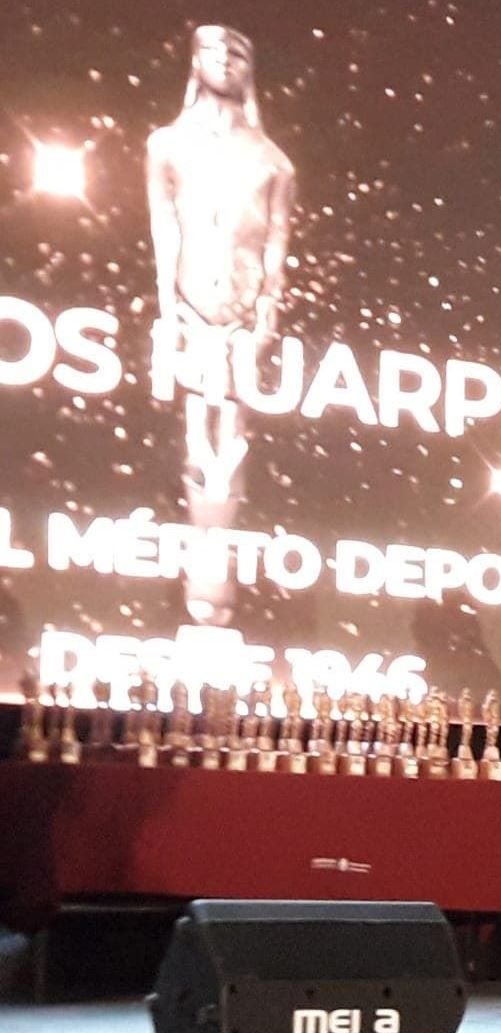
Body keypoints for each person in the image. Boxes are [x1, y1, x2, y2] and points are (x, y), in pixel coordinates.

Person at [146, 23, 295, 626]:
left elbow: (277, 238)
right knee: (196, 442)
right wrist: (167, 311)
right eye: (213, 50)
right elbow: (164, 226)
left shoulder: (272, 160)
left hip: (241, 319)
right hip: (188, 309)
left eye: (236, 53)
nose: (224, 61)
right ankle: (201, 581)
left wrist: (267, 309)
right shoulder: (167, 144)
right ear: (195, 61)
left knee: (229, 446)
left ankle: (217, 580)